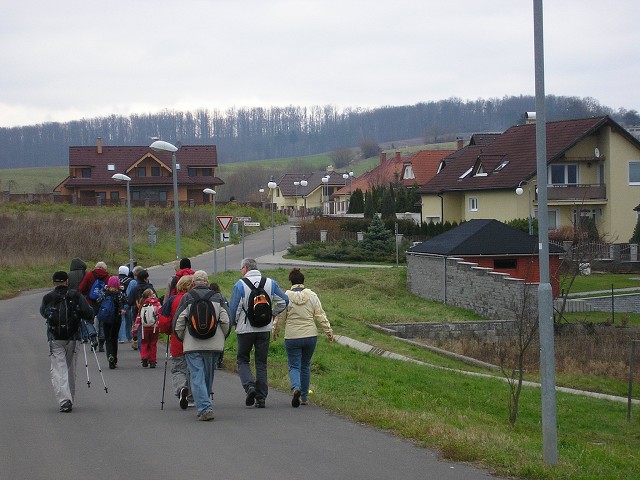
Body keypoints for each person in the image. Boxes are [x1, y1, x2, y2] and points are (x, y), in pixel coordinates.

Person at [229, 258, 288, 408]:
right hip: (264, 329)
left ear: (246, 268)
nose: (241, 271)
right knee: (261, 362)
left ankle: (249, 387)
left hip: (245, 330)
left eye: (241, 268)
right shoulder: (270, 283)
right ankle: (261, 398)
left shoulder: (240, 284)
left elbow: (233, 309)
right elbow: (284, 300)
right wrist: (272, 314)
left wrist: (236, 323)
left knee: (242, 359)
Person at [272, 268, 333, 407]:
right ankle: (304, 397)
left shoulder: (286, 296)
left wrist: (275, 331)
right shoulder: (312, 296)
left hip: (292, 336)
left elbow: (280, 317)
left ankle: (296, 388)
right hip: (310, 335)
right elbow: (320, 315)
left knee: (294, 365)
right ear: (303, 281)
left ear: (291, 281)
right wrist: (328, 330)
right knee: (306, 365)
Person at [174, 270, 230, 421]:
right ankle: (204, 405)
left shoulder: (187, 297)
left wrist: (183, 338)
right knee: (208, 375)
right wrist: (221, 337)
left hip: (193, 344)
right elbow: (226, 321)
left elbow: (178, 322)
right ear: (207, 282)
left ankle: (204, 408)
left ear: (193, 283)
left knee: (196, 375)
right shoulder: (218, 297)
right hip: (214, 344)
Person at [40, 271, 94, 412]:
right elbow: (88, 313)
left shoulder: (48, 297)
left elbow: (43, 313)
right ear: (67, 281)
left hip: (54, 338)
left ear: (53, 282)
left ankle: (65, 400)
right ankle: (70, 398)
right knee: (70, 369)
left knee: (59, 369)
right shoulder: (76, 296)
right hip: (73, 338)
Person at [158, 274, 194, 409]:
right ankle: (191, 396)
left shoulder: (172, 300)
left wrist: (168, 331)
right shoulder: (195, 299)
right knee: (193, 368)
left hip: (177, 340)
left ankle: (181, 389)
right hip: (195, 340)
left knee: (178, 369)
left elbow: (164, 322)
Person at [95, 275, 128, 369]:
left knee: (108, 339)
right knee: (114, 338)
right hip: (117, 318)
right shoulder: (119, 294)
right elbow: (127, 300)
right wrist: (122, 290)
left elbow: (98, 301)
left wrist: (105, 290)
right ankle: (115, 359)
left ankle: (109, 355)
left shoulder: (106, 293)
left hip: (106, 318)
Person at [78, 261, 110, 352]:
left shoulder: (89, 275)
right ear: (105, 268)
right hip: (103, 303)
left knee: (88, 321)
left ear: (95, 267)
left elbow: (81, 289)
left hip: (90, 302)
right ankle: (101, 344)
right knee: (102, 323)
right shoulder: (108, 277)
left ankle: (92, 336)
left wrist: (86, 295)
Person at [127, 268, 154, 352]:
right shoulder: (150, 288)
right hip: (150, 314)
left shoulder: (135, 289)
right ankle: (150, 352)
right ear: (146, 278)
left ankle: (143, 352)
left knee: (140, 333)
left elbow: (130, 301)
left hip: (137, 313)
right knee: (151, 334)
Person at [133, 289, 161, 368]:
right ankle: (152, 361)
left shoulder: (142, 304)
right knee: (153, 344)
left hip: (144, 328)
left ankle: (144, 357)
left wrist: (134, 331)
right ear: (150, 295)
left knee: (144, 343)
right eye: (152, 293)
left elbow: (138, 319)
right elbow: (160, 315)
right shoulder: (157, 303)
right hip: (154, 327)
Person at [209, 282, 230, 369]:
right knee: (221, 343)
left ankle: (212, 360)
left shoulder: (210, 298)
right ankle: (219, 361)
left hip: (212, 323)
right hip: (221, 323)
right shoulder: (223, 298)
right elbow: (227, 311)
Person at [125, 265, 144, 350]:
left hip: (135, 306)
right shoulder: (148, 282)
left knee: (136, 322)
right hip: (146, 306)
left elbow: (128, 295)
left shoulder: (133, 283)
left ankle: (136, 340)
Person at [117, 265, 133, 343]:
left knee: (121, 320)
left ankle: (121, 337)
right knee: (129, 319)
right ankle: (129, 336)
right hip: (127, 301)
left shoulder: (116, 279)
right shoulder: (129, 280)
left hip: (119, 301)